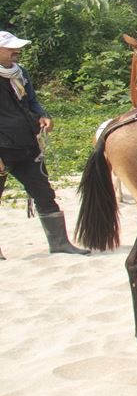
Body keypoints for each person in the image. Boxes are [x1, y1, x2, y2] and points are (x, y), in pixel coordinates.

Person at [0, 30, 88, 256]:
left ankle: (59, 244)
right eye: (11, 48)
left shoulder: (20, 73)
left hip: (26, 144)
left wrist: (43, 115)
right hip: (2, 148)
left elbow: (32, 102)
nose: (17, 51)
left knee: (44, 193)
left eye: (18, 48)